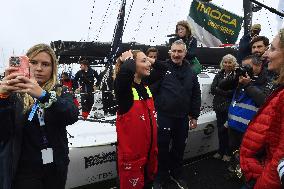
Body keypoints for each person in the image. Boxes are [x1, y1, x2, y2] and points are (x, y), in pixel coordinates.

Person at [0, 44, 79, 189]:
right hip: (24, 169)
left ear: (53, 68)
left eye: (45, 64)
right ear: (26, 64)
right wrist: (3, 97)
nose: (39, 68)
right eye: (33, 62)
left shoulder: (61, 91)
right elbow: (4, 131)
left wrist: (43, 95)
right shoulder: (15, 93)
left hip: (55, 167)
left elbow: (72, 115)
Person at [152, 40, 201, 189]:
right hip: (164, 117)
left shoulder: (191, 72)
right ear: (169, 52)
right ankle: (160, 176)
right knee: (162, 148)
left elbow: (195, 94)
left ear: (185, 53)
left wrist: (194, 115)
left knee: (179, 148)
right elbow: (152, 91)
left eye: (179, 51)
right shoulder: (161, 69)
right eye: (173, 51)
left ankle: (176, 173)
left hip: (182, 118)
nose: (176, 54)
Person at [240, 28, 284, 189]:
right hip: (260, 163)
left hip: (265, 175)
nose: (265, 54)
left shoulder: (270, 79)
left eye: (271, 48)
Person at [114, 50, 158, 189]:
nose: (149, 64)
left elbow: (164, 68)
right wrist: (127, 60)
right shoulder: (124, 92)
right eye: (144, 61)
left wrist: (148, 60)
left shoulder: (144, 87)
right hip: (133, 160)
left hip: (149, 155)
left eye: (148, 61)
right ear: (133, 65)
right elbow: (125, 74)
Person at [211, 54, 238, 162]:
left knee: (228, 131)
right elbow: (213, 89)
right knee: (220, 130)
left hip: (229, 108)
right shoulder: (219, 74)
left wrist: (220, 91)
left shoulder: (236, 76)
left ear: (233, 63)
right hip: (219, 107)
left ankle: (228, 153)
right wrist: (225, 92)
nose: (227, 64)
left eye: (229, 62)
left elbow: (234, 93)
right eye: (225, 62)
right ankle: (220, 151)